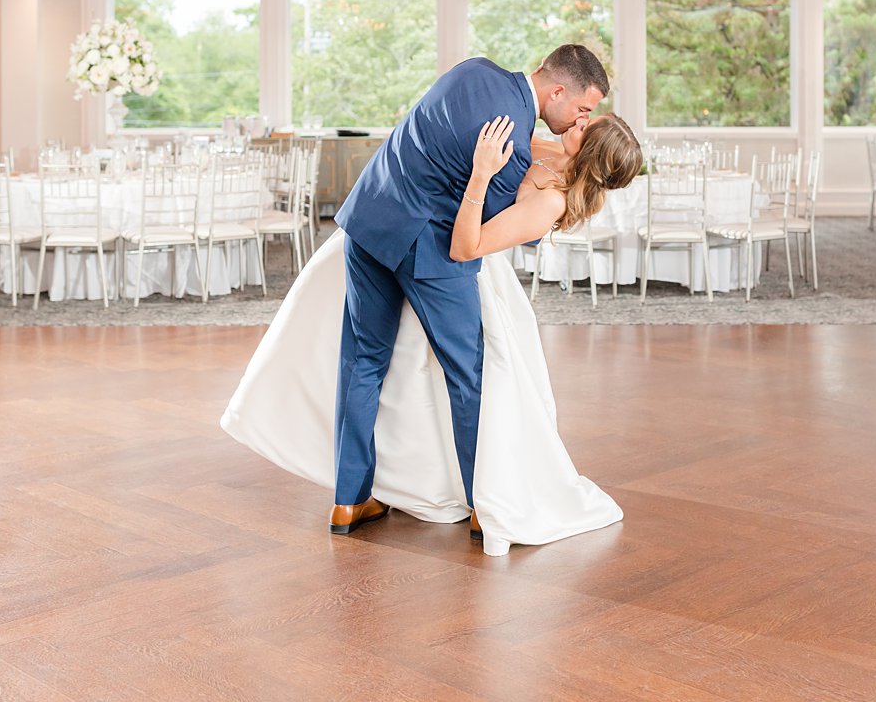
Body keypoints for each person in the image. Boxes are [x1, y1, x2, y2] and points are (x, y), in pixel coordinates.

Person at [221, 48, 643, 555]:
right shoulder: (512, 156)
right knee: (468, 376)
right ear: (558, 92)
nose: (581, 118)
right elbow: (479, 232)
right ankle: (483, 506)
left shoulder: (475, 70)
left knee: (363, 362)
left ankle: (349, 500)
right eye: (582, 109)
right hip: (433, 253)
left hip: (371, 219)